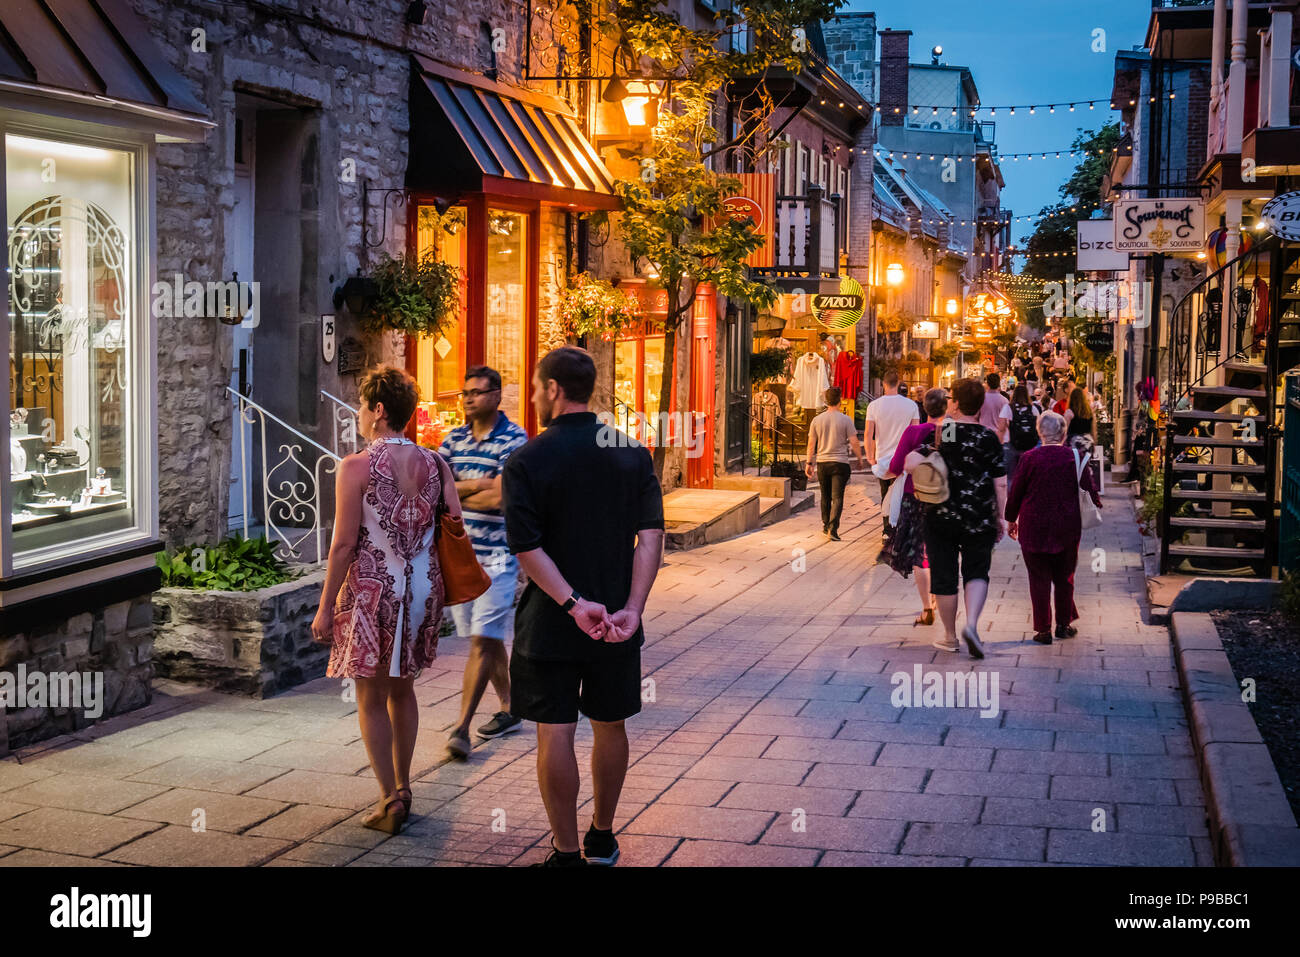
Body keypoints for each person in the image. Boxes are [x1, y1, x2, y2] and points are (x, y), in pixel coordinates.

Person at [502, 346, 664, 867]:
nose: (531, 397)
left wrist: (573, 603)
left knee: (555, 730)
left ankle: (565, 852)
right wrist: (633, 608)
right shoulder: (631, 452)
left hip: (552, 620)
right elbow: (651, 535)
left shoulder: (527, 459)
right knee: (610, 724)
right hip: (616, 621)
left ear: (553, 390)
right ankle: (602, 835)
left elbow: (527, 548)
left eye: (534, 387)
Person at [313, 365, 454, 835]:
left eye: (360, 404)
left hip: (374, 591)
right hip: (421, 591)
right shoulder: (436, 464)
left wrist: (325, 604)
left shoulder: (355, 466)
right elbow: (453, 524)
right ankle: (405, 786)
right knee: (403, 689)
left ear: (378, 411)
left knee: (370, 695)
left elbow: (343, 544)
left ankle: (389, 797)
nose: (356, 413)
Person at [437, 365, 529, 760]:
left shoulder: (515, 438)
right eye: (465, 392)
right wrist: (479, 484)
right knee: (485, 639)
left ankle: (460, 729)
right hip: (460, 556)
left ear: (496, 395)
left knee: (483, 638)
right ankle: (511, 707)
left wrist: (458, 492)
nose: (469, 398)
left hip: (497, 556)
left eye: (477, 392)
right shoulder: (452, 438)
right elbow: (434, 491)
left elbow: (502, 499)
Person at [904, 377, 1007, 659]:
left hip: (942, 513)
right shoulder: (989, 437)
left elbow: (935, 454)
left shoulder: (947, 431)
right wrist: (1003, 518)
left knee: (945, 574)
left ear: (957, 402)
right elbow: (1000, 483)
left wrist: (950, 415)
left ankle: (950, 637)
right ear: (982, 405)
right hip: (979, 515)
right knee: (976, 570)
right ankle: (972, 625)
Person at [1005, 412, 1102, 644]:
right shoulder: (1077, 458)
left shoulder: (1029, 458)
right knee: (1065, 577)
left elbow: (1016, 492)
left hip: (1033, 526)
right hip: (1067, 527)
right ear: (1064, 433)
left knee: (1038, 578)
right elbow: (1091, 492)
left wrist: (1011, 519)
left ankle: (1042, 629)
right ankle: (1063, 625)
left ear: (1040, 433)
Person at [885, 387, 951, 626]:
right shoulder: (951, 431)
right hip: (944, 497)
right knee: (940, 550)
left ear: (925, 408)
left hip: (916, 497)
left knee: (920, 553)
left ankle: (926, 608)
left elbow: (895, 466)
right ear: (946, 407)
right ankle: (935, 600)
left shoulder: (913, 431)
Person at [805, 386, 866, 542]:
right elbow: (854, 442)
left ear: (826, 401)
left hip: (823, 462)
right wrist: (860, 459)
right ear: (840, 400)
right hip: (840, 462)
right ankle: (833, 528)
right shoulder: (846, 420)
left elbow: (811, 444)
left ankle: (826, 525)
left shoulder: (817, 420)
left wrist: (809, 463)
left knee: (825, 496)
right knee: (837, 497)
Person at [865, 371, 919, 543]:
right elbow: (915, 433)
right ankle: (899, 529)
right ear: (898, 383)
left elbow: (868, 434)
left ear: (883, 384)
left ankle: (887, 530)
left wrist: (870, 456)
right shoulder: (911, 406)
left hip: (882, 458)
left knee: (884, 493)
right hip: (903, 459)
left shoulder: (874, 406)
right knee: (902, 495)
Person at [1005, 383, 1041, 481]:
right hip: (1030, 445)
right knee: (1029, 475)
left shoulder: (1009, 407)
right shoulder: (1033, 408)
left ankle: (1012, 494)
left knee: (1011, 476)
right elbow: (1038, 425)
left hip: (1013, 443)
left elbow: (1002, 426)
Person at [978, 373, 1011, 445]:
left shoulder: (980, 399)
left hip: (983, 434)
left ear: (987, 383)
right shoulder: (1004, 401)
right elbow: (1007, 422)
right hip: (1000, 437)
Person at [1064, 386, 1097, 455]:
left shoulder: (1069, 412)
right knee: (1085, 464)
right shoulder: (1090, 413)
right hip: (1088, 443)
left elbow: (1065, 431)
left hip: (1073, 443)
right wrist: (1094, 444)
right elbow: (1093, 431)